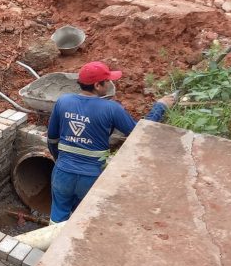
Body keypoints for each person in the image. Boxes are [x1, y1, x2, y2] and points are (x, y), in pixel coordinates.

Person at [47, 61, 175, 223]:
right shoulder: (111, 108)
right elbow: (140, 132)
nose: (110, 83)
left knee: (57, 217)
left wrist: (60, 161)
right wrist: (160, 107)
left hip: (62, 174)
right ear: (97, 85)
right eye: (107, 81)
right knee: (83, 220)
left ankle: (51, 246)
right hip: (91, 178)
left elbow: (52, 139)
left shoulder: (63, 101)